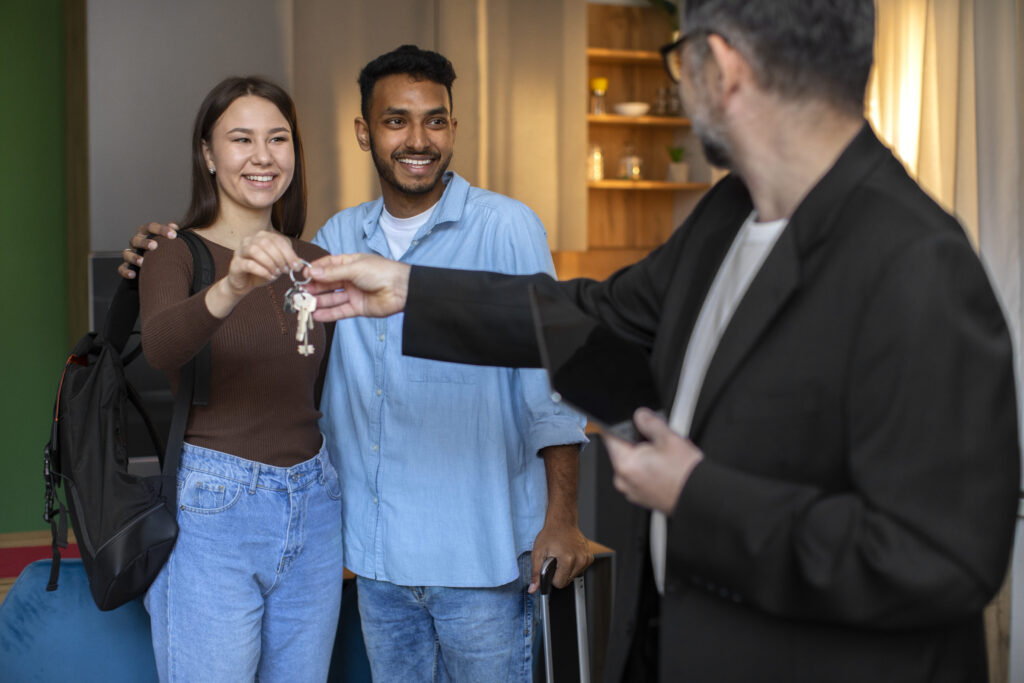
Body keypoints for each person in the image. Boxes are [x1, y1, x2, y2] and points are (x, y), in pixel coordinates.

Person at [304, 3, 1022, 682]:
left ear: (722, 64)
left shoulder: (917, 260)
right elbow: (593, 313)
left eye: (681, 62)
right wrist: (412, 290)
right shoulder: (728, 215)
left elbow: (943, 559)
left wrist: (695, 496)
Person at [121, 46, 591, 681]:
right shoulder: (336, 239)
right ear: (364, 133)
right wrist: (170, 260)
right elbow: (182, 339)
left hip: (473, 553)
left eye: (436, 120)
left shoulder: (497, 228)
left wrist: (562, 518)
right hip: (369, 558)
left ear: (455, 128)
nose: (418, 139)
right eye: (397, 121)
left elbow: (551, 382)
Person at [137, 76, 342, 682]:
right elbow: (161, 348)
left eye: (278, 138)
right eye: (241, 138)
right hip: (214, 507)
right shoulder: (175, 253)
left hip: (317, 500)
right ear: (207, 154)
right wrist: (233, 284)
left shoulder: (314, 259)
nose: (263, 155)